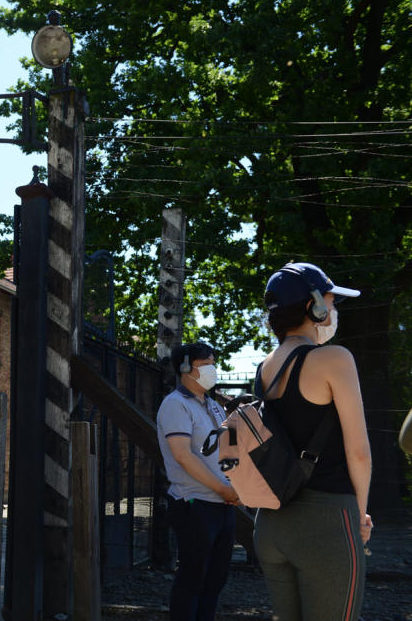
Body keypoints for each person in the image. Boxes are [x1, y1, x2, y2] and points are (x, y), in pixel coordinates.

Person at [253, 262, 372, 621]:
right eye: (332, 304)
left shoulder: (264, 368)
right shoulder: (334, 359)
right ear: (314, 306)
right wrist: (359, 517)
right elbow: (359, 452)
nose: (334, 312)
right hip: (326, 524)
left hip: (271, 526)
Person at [156, 341, 238, 621]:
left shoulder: (214, 406)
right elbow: (182, 456)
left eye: (213, 363)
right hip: (194, 504)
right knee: (192, 578)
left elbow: (227, 449)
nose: (212, 369)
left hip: (222, 504)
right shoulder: (175, 405)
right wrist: (224, 489)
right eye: (205, 365)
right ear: (184, 368)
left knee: (215, 580)